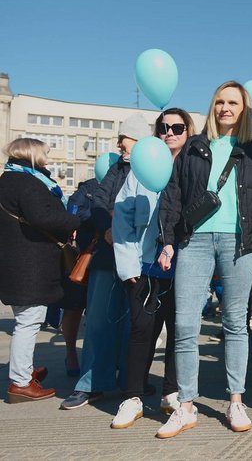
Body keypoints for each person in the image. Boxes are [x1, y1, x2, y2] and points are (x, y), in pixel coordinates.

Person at [156, 81, 252, 438]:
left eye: (233, 102)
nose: (225, 108)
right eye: (220, 101)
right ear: (212, 106)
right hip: (194, 241)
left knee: (235, 323)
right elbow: (173, 195)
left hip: (239, 243)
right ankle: (185, 406)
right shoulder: (193, 149)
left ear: (244, 109)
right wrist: (167, 241)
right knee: (185, 325)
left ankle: (235, 400)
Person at [110, 108, 195, 428]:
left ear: (188, 131)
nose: (170, 132)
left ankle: (171, 391)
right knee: (141, 330)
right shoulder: (139, 170)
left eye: (177, 127)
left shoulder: (195, 168)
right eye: (164, 127)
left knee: (180, 332)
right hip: (143, 266)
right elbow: (123, 220)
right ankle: (132, 397)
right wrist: (128, 265)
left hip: (184, 267)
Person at [62, 113, 151, 410]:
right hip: (106, 258)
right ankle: (90, 384)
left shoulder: (152, 166)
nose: (118, 143)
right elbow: (97, 203)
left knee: (133, 324)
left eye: (123, 137)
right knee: (98, 321)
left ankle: (132, 382)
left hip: (141, 259)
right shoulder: (116, 169)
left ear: (137, 141)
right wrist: (107, 229)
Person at [0, 138, 80, 402]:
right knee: (29, 321)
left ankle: (22, 370)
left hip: (17, 262)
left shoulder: (9, 179)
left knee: (26, 319)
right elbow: (44, 217)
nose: (49, 156)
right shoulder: (27, 183)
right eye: (45, 153)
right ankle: (21, 383)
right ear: (32, 155)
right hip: (29, 265)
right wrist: (77, 220)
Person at [61, 176, 99, 377]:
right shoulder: (88, 187)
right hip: (84, 256)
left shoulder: (127, 179)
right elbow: (73, 211)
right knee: (74, 307)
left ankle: (98, 357)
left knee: (100, 312)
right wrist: (99, 216)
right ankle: (71, 354)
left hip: (111, 257)